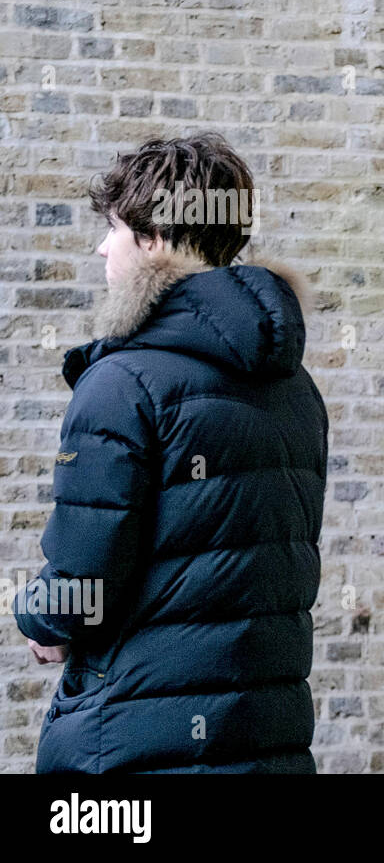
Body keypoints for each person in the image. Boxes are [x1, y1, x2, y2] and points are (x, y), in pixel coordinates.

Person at [13, 132, 328, 773]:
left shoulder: (121, 383)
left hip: (137, 742)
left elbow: (86, 575)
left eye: (115, 230)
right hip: (266, 740)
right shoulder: (293, 386)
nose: (104, 247)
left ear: (153, 239)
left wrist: (36, 617)